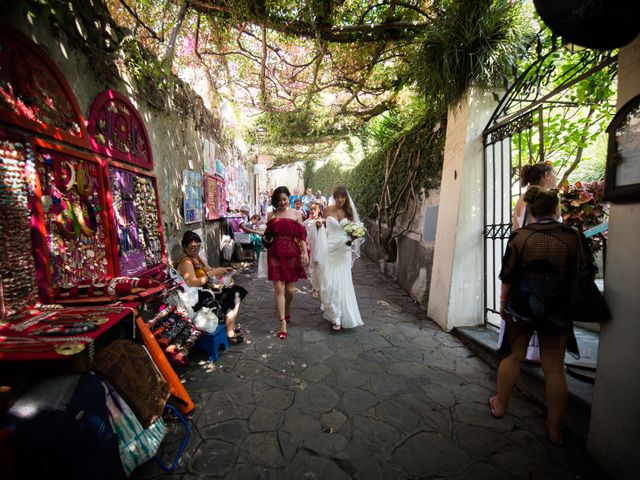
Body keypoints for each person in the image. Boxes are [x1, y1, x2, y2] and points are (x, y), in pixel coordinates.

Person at [489, 187, 595, 446]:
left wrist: (503, 303)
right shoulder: (573, 236)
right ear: (556, 209)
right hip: (556, 309)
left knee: (513, 356)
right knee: (554, 368)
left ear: (532, 210)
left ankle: (500, 404)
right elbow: (587, 270)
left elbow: (507, 276)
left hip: (522, 306)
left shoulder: (520, 237)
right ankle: (555, 428)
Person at [503, 161, 560, 363]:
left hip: (525, 262)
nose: (556, 176)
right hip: (539, 265)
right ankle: (534, 352)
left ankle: (527, 351)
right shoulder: (536, 200)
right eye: (554, 173)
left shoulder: (523, 199)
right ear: (545, 175)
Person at [175, 231, 248, 344]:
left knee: (237, 291)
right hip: (198, 296)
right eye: (192, 248)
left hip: (205, 290)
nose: (196, 250)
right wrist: (210, 274)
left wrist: (222, 270)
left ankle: (230, 326)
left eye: (198, 247)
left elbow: (209, 270)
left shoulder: (196, 257)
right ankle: (230, 332)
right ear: (185, 247)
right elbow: (191, 282)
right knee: (234, 295)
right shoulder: (186, 262)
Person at [314, 185, 364, 331]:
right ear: (333, 196)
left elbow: (357, 231)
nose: (340, 199)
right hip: (329, 248)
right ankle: (334, 313)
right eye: (338, 196)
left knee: (342, 282)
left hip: (343, 251)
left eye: (343, 197)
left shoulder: (349, 212)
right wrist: (318, 225)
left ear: (346, 198)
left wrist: (353, 237)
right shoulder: (327, 210)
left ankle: (339, 317)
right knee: (329, 282)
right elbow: (322, 227)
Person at [262, 186, 309, 339]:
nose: (282, 202)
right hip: (275, 253)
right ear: (275, 201)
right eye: (279, 200)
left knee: (290, 290)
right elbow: (266, 236)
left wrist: (304, 252)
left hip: (292, 254)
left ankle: (287, 308)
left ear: (289, 198)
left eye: (284, 199)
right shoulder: (271, 215)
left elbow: (301, 236)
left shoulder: (297, 214)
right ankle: (282, 323)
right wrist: (265, 239)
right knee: (278, 288)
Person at [304, 201, 323, 299]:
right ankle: (315, 289)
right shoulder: (306, 222)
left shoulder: (323, 221)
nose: (312, 211)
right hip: (311, 247)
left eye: (314, 209)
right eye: (310, 209)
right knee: (313, 267)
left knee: (321, 267)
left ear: (319, 209)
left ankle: (321, 287)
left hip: (322, 247)